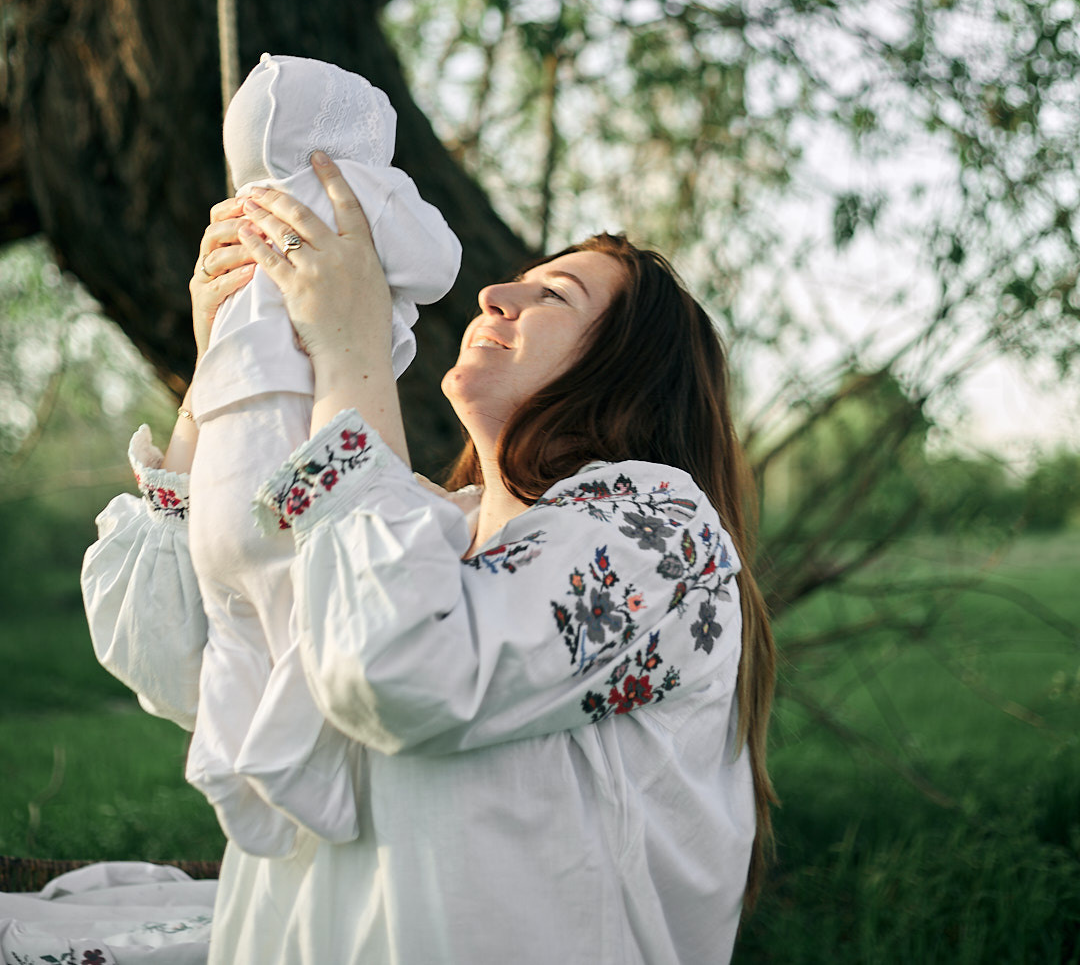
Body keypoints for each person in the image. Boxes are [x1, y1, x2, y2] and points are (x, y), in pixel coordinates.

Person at [82, 152, 776, 965]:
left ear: (630, 374)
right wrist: (225, 365)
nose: (495, 294)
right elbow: (172, 656)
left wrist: (351, 351)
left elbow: (396, 669)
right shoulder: (412, 525)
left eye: (554, 294)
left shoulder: (662, 536)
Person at [165, 53, 460, 853]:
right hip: (283, 453)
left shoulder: (244, 220)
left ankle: (222, 759)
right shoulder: (345, 188)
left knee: (236, 628)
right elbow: (438, 265)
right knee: (312, 606)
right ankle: (299, 767)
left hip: (217, 464)